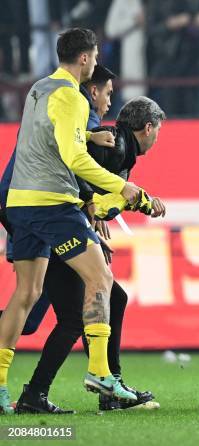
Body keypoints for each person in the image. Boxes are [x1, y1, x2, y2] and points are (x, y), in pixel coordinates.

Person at [0, 28, 142, 414]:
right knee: (101, 279)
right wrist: (124, 189)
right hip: (51, 202)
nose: (95, 64)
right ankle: (99, 371)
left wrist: (89, 138)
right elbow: (73, 158)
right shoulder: (73, 98)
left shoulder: (37, 89)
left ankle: (0, 388)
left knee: (26, 295)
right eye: (94, 57)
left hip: (19, 203)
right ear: (84, 58)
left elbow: (44, 138)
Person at [13, 97, 166, 414]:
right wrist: (129, 202)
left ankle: (100, 387)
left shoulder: (118, 147)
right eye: (158, 131)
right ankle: (98, 389)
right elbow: (80, 180)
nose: (107, 100)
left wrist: (93, 225)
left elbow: (92, 193)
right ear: (148, 127)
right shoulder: (113, 146)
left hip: (55, 227)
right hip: (53, 227)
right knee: (67, 316)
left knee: (38, 318)